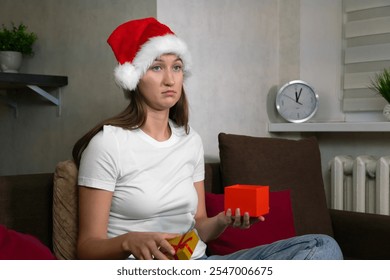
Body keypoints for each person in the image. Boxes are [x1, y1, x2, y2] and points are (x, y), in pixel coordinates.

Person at [72, 17, 343, 260]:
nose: (170, 79)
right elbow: (87, 247)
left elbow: (200, 225)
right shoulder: (108, 144)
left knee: (323, 247)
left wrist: (223, 220)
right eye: (156, 68)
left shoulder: (190, 141)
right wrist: (129, 242)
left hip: (200, 264)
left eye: (176, 68)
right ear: (134, 77)